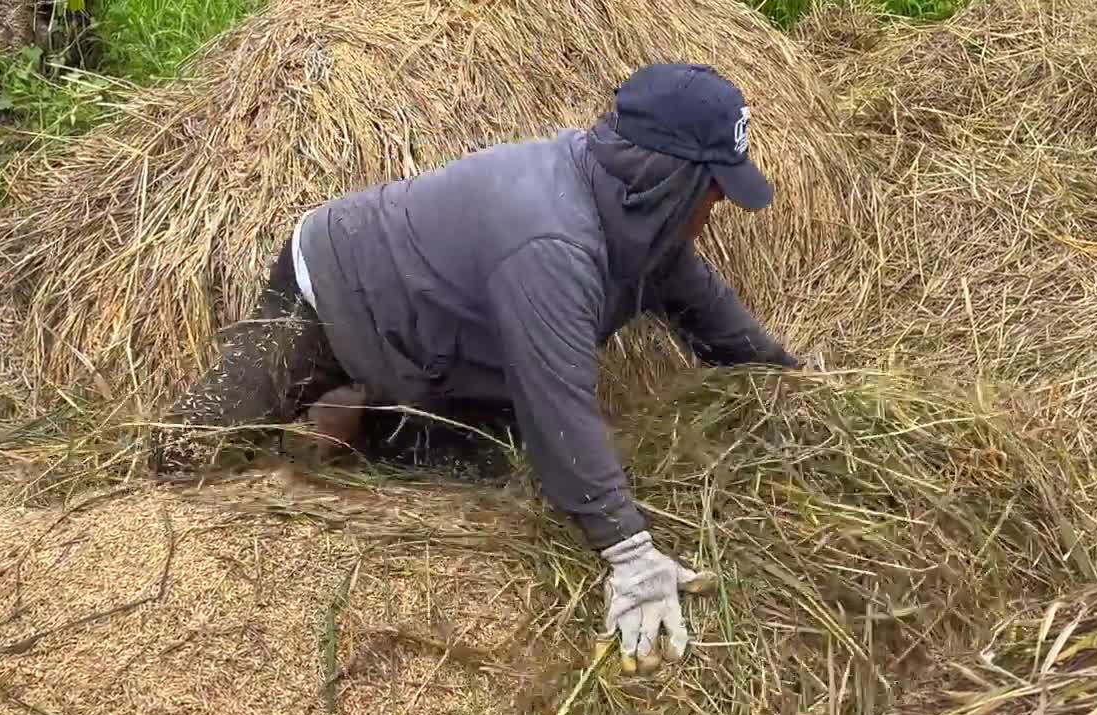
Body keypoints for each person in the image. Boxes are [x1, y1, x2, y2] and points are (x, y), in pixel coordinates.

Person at [149, 62, 801, 675]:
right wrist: (631, 554)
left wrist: (791, 381)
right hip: (335, 292)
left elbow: (713, 316)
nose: (715, 207)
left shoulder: (639, 223)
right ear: (666, 175)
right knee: (191, 453)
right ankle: (339, 394)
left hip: (437, 348)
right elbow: (558, 410)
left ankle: (361, 416)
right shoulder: (551, 239)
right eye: (712, 188)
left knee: (491, 472)